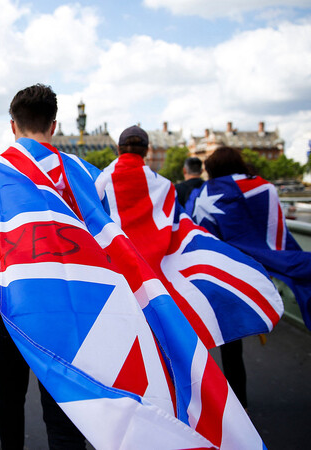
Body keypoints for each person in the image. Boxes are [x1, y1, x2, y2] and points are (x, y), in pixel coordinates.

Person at [95, 131, 284, 411]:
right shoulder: (164, 185)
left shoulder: (100, 182)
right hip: (156, 280)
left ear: (118, 149)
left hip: (119, 279)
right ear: (147, 151)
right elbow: (178, 229)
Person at [0, 84, 86, 449]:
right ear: (53, 126)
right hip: (68, 309)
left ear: (13, 125)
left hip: (7, 307)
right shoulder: (83, 175)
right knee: (63, 401)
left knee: (9, 394)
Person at [186, 146, 311, 407]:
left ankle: (207, 402)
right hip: (243, 276)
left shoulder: (204, 194)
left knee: (206, 342)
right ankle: (239, 401)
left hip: (211, 275)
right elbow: (271, 229)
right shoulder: (262, 188)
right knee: (233, 345)